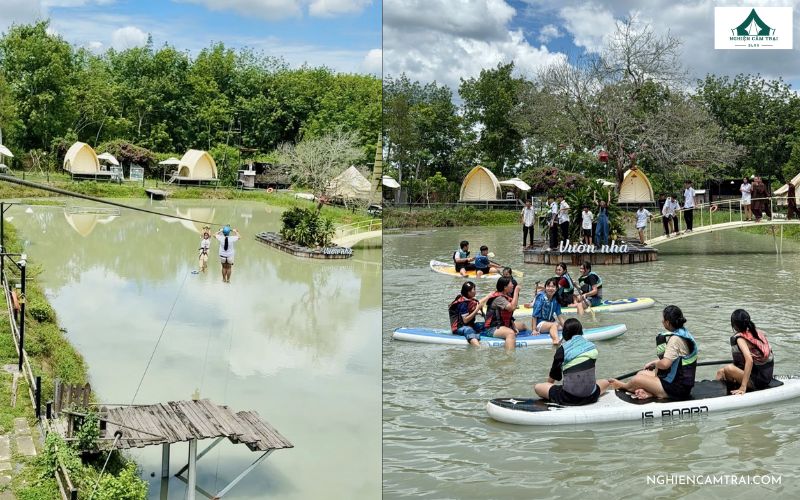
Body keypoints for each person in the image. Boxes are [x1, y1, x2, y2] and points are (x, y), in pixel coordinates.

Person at [609, 305, 697, 400]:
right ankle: (650, 393)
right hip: (680, 384)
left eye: (663, 319)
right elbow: (674, 359)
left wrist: (655, 363)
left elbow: (665, 364)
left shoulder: (675, 339)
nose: (662, 321)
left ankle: (623, 386)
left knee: (637, 380)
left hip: (676, 389)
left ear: (667, 322)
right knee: (641, 373)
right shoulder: (685, 334)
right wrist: (654, 363)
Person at [534, 318, 610, 405]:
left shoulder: (562, 350)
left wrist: (547, 386)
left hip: (569, 398)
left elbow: (554, 375)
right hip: (592, 396)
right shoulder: (592, 346)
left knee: (537, 387)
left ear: (565, 333)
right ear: (581, 331)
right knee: (606, 382)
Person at [716, 309, 774, 395]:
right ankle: (717, 394)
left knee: (728, 369)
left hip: (759, 380)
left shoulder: (740, 339)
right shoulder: (756, 332)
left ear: (734, 325)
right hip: (763, 374)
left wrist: (743, 387)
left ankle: (734, 391)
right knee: (720, 372)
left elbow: (749, 360)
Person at [484, 277, 523, 351]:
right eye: (511, 284)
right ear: (505, 287)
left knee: (522, 325)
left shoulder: (506, 296)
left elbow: (509, 315)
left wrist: (513, 326)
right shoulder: (499, 298)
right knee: (511, 333)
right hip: (492, 328)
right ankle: (509, 357)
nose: (513, 285)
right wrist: (516, 291)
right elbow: (512, 307)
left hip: (503, 325)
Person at [448, 281, 490, 347]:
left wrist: (479, 312)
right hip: (459, 328)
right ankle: (478, 347)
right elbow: (465, 320)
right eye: (474, 289)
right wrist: (477, 309)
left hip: (470, 325)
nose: (475, 291)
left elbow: (468, 313)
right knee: (469, 330)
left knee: (486, 325)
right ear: (469, 292)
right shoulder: (462, 303)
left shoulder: (469, 300)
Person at [524, 277, 565, 345]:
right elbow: (534, 315)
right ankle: (556, 341)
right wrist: (534, 330)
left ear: (557, 288)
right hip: (540, 324)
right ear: (545, 287)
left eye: (553, 287)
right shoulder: (540, 298)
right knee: (554, 325)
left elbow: (559, 315)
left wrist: (566, 327)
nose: (550, 288)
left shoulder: (556, 299)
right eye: (548, 286)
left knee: (564, 325)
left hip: (550, 322)